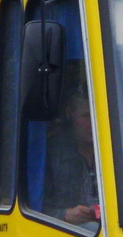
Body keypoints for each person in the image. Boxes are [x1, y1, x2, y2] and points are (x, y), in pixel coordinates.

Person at [42, 91, 99, 226]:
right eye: (86, 116)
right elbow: (32, 208)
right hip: (69, 232)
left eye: (97, 115)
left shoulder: (117, 152)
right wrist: (64, 215)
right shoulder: (52, 154)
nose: (93, 123)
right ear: (70, 115)